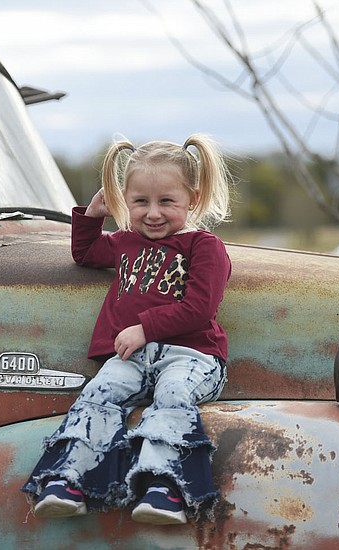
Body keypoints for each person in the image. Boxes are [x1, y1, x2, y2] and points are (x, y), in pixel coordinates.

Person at [21, 134, 233, 525]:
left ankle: (165, 487)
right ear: (127, 201)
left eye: (166, 201)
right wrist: (93, 215)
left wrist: (144, 328)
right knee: (98, 393)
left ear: (194, 199)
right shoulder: (125, 243)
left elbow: (200, 308)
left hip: (192, 356)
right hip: (132, 357)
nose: (153, 213)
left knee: (171, 396)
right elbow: (85, 254)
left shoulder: (205, 247)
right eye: (140, 202)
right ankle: (72, 479)